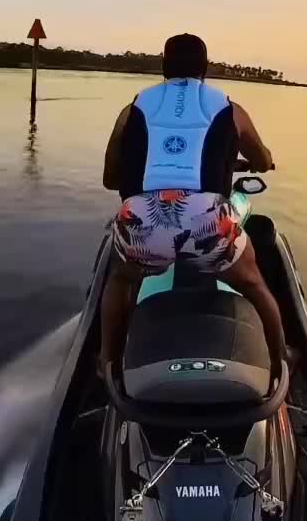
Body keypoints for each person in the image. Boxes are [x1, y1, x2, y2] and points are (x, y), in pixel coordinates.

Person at [99, 32, 288, 383]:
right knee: (256, 284)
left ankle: (107, 362)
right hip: (207, 224)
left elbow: (111, 179)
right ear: (205, 68)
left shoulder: (133, 108)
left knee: (120, 279)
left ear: (163, 66)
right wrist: (263, 162)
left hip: (144, 221)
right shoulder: (230, 109)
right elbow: (261, 159)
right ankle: (280, 365)